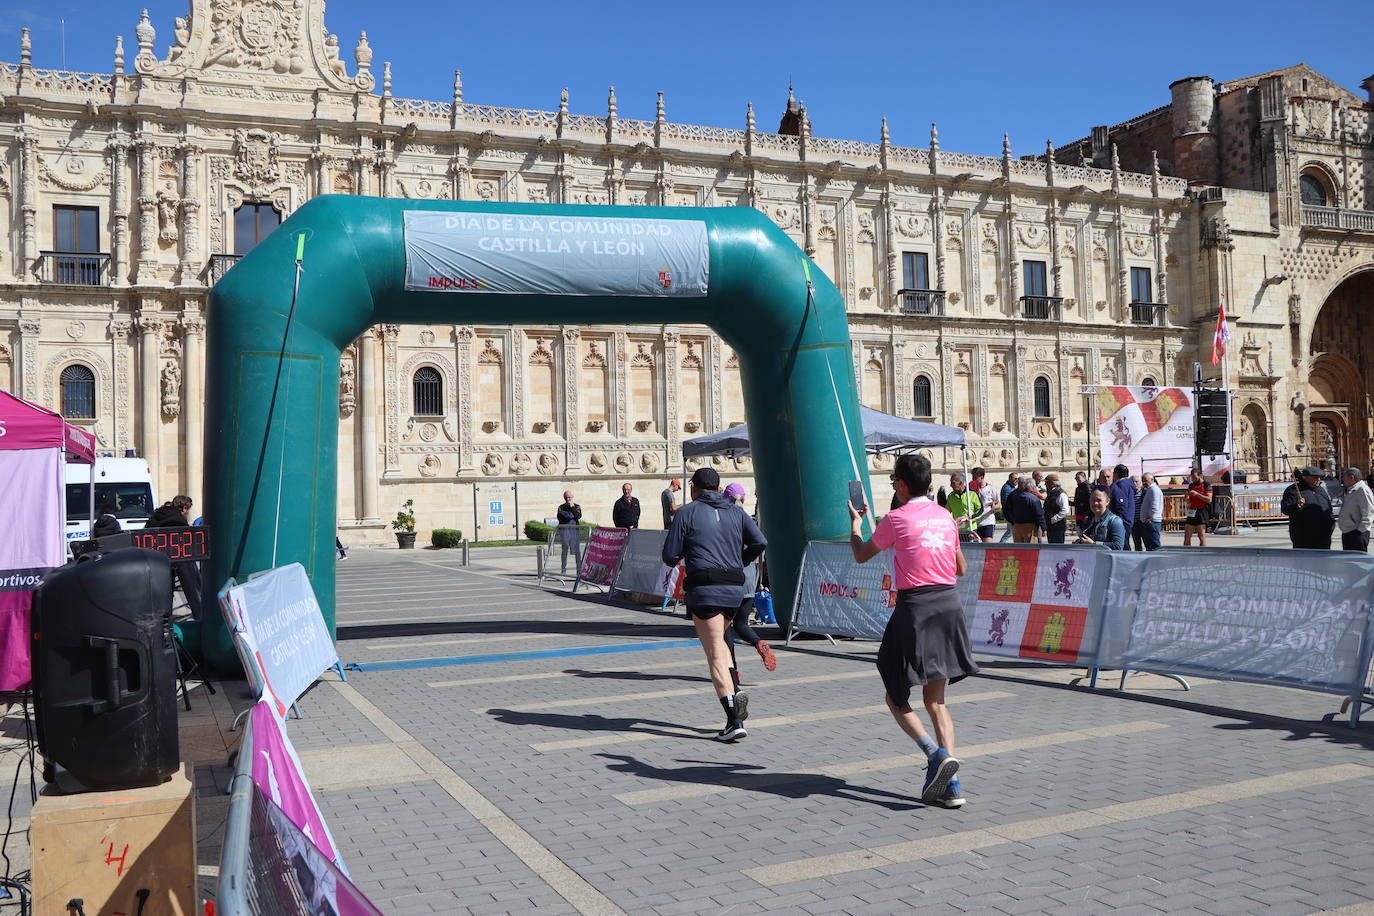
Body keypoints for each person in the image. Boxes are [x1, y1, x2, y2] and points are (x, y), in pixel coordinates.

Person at [848, 454, 978, 809]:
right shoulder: (946, 516)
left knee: (894, 690)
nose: (893, 486)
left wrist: (856, 526)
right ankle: (950, 786)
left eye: (893, 481)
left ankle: (933, 754)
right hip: (949, 603)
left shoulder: (895, 518)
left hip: (916, 606)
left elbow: (861, 555)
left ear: (903, 485)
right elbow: (961, 567)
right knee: (936, 701)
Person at [662, 467, 767, 742]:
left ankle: (733, 718)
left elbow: (669, 555)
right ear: (719, 489)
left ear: (694, 488)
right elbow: (760, 542)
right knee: (722, 642)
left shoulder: (686, 512)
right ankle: (734, 691)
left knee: (714, 653)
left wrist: (687, 550)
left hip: (705, 588)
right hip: (735, 587)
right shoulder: (736, 512)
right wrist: (740, 560)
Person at [722, 483, 777, 681]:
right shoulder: (749, 520)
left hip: (730, 580)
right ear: (743, 499)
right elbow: (760, 543)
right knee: (741, 623)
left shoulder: (725, 520)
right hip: (749, 579)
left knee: (725, 628)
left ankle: (732, 672)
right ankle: (758, 642)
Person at [146, 495, 203, 619]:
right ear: (183, 508)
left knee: (162, 593)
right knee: (193, 586)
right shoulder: (179, 521)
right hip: (180, 561)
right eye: (188, 511)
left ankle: (163, 620)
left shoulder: (154, 517)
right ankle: (201, 615)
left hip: (156, 561)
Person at [1282, 466, 1334, 550]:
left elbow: (1329, 509)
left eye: (1320, 478)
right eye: (1315, 478)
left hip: (1324, 538)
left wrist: (1331, 526)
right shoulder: (1293, 490)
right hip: (1303, 539)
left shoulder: (1321, 490)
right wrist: (1296, 506)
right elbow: (1285, 509)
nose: (1319, 480)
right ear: (1306, 477)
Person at [1338, 467, 1374, 553]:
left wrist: (1360, 531)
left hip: (1357, 533)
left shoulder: (1362, 490)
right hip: (1348, 532)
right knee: (1348, 562)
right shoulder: (1351, 489)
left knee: (1357, 562)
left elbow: (1369, 512)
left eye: (1344, 477)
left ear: (1352, 478)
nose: (1343, 480)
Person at [1004, 475, 1046, 543]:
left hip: (1016, 526)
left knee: (1019, 550)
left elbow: (1006, 511)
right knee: (1030, 549)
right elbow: (1039, 514)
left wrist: (1012, 522)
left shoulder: (1012, 495)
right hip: (1030, 527)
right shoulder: (1033, 498)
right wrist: (1044, 528)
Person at [943, 472, 982, 543]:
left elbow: (980, 510)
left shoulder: (972, 494)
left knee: (972, 553)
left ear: (961, 483)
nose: (950, 485)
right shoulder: (951, 496)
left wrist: (970, 518)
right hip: (958, 530)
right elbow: (946, 512)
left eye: (953, 483)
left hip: (971, 530)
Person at [1183, 468, 1212, 546]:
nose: (1193, 480)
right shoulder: (1191, 485)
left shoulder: (1206, 485)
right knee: (1187, 536)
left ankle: (1203, 553)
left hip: (1201, 511)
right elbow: (1188, 501)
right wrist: (1187, 496)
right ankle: (1186, 553)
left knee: (1201, 535)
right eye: (1192, 478)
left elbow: (1209, 499)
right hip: (1192, 511)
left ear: (1200, 476)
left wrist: (1197, 494)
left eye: (1195, 478)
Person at [555, 491, 582, 573]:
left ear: (572, 497)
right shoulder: (561, 507)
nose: (568, 499)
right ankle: (563, 569)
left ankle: (579, 570)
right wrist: (570, 515)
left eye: (569, 497)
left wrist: (572, 507)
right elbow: (561, 518)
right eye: (566, 497)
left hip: (575, 532)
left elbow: (578, 516)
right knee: (564, 550)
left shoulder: (577, 506)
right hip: (565, 532)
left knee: (577, 552)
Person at [970, 467, 998, 542]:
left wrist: (994, 506)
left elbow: (998, 504)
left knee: (987, 545)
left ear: (981, 477)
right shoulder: (971, 490)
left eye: (975, 478)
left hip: (988, 521)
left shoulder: (991, 489)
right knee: (978, 548)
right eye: (972, 477)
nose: (973, 480)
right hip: (976, 522)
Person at [1108, 464, 1136, 535]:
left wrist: (1119, 520)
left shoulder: (1121, 485)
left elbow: (1121, 504)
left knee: (1122, 543)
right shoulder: (1128, 484)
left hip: (1122, 520)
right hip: (1128, 518)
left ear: (1116, 473)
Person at [1139, 472, 1164, 551]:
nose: (1144, 483)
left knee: (1154, 546)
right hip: (1150, 521)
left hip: (1152, 522)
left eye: (1146, 481)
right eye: (1143, 480)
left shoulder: (1154, 490)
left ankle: (1157, 562)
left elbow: (1154, 506)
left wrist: (1149, 518)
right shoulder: (1151, 489)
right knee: (1150, 546)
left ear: (1152, 480)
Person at [1043, 474, 1070, 544]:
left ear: (1052, 484)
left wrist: (1053, 519)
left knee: (1057, 549)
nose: (1045, 484)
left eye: (1046, 482)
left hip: (1057, 527)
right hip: (1051, 527)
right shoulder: (1051, 494)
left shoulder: (1061, 494)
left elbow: (1065, 510)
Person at [997, 472, 1019, 542]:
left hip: (1011, 513)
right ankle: (1001, 545)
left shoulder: (1011, 487)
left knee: (1011, 532)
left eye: (1017, 479)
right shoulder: (1007, 488)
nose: (1017, 480)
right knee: (1010, 532)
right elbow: (1007, 503)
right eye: (1015, 478)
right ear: (1010, 478)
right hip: (1010, 514)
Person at [1129, 475, 1146, 551]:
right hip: (1134, 522)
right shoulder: (1129, 493)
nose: (1134, 483)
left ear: (1140, 483)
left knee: (1147, 541)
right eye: (1132, 482)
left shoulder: (1144, 492)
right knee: (1137, 542)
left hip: (1143, 521)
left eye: (1137, 481)